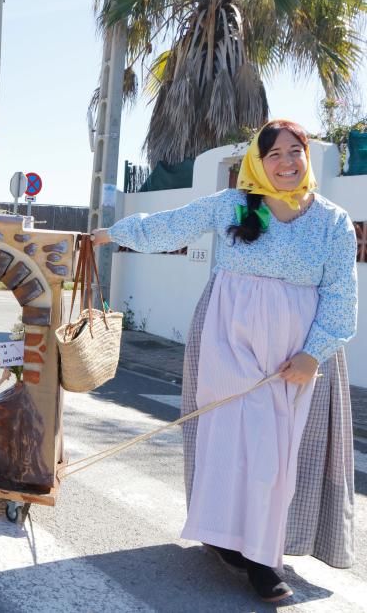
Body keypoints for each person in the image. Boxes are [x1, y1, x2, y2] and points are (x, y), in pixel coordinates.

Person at [92, 120, 356, 603]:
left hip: (290, 358)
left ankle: (260, 554)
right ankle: (231, 542)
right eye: (274, 153)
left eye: (295, 151)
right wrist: (112, 233)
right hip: (226, 343)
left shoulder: (332, 221)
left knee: (272, 457)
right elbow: (173, 224)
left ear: (307, 156)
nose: (286, 162)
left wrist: (312, 353)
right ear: (258, 161)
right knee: (229, 443)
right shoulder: (234, 204)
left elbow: (341, 294)